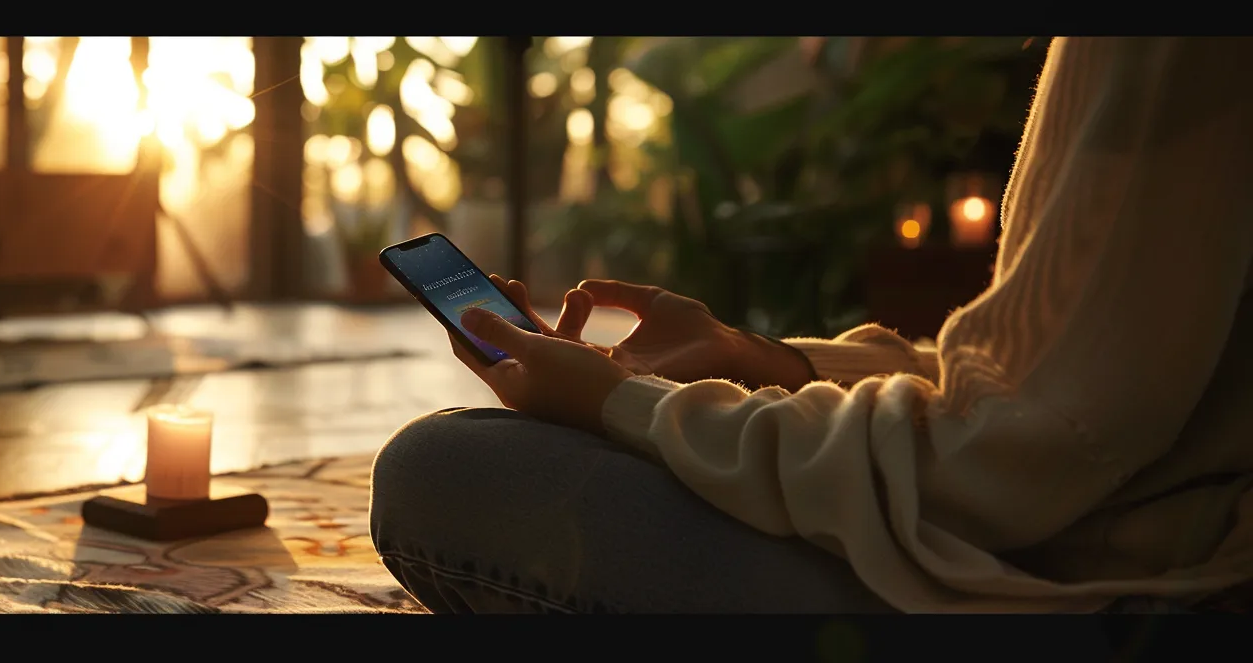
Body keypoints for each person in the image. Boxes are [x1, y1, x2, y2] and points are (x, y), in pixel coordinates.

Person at [369, 36, 1253, 614]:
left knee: (441, 468)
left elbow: (1008, 464)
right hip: (1127, 531)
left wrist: (623, 405)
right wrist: (760, 359)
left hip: (1088, 588)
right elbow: (1028, 385)